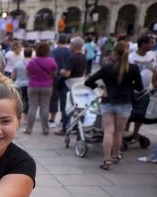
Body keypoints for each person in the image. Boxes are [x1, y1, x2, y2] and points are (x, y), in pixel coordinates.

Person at [85, 41, 143, 170]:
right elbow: (139, 87)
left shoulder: (107, 68)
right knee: (118, 132)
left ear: (115, 53)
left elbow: (88, 81)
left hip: (108, 102)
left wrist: (102, 86)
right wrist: (128, 86)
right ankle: (116, 155)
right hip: (124, 103)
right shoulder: (133, 68)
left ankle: (106, 160)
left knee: (108, 132)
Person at [126, 34, 157, 142]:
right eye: (151, 43)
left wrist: (154, 85)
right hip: (132, 89)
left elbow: (155, 71)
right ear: (143, 44)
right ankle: (125, 131)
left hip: (146, 90)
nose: (153, 45)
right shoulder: (131, 57)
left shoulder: (153, 55)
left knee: (141, 112)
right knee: (129, 112)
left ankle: (135, 133)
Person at [25, 42, 57, 135]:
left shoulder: (32, 61)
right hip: (47, 86)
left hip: (33, 86)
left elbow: (27, 74)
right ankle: (45, 129)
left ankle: (29, 129)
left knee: (32, 106)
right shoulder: (51, 61)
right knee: (45, 106)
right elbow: (54, 74)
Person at [49, 34, 71, 128]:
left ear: (58, 40)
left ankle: (52, 119)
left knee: (54, 98)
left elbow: (51, 65)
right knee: (65, 99)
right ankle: (63, 120)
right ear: (66, 41)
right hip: (67, 78)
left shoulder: (53, 51)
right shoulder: (70, 52)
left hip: (55, 77)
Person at [11, 47, 32, 125]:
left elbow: (13, 76)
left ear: (24, 54)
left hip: (19, 84)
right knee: (28, 101)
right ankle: (25, 119)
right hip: (30, 84)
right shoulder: (33, 63)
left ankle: (17, 117)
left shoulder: (18, 64)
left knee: (19, 101)